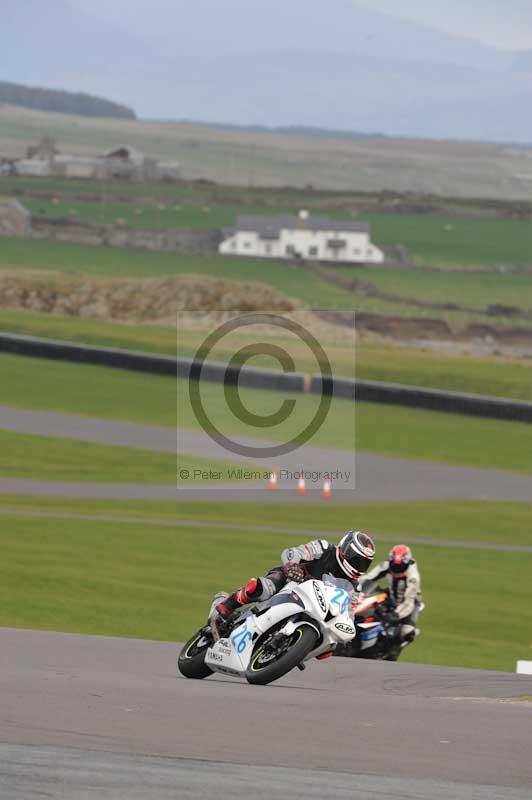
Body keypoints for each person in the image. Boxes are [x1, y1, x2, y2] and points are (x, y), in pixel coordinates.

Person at [209, 531, 376, 635]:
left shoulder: (355, 586)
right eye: (356, 560)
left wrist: (343, 628)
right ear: (345, 550)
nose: (358, 565)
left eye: (363, 563)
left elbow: (349, 613)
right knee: (263, 588)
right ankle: (227, 604)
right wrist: (292, 565)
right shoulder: (325, 548)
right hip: (291, 580)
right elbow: (293, 552)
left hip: (313, 607)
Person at [359, 544, 423, 646]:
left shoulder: (413, 578)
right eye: (394, 565)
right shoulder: (386, 565)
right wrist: (355, 586)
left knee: (408, 632)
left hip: (409, 603)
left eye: (400, 567)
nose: (396, 570)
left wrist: (395, 615)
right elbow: (368, 578)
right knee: (372, 605)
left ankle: (392, 650)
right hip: (392, 595)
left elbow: (409, 603)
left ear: (407, 563)